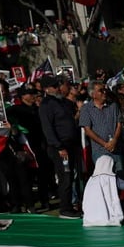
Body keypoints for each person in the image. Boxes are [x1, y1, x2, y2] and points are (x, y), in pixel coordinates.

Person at [38, 75, 82, 219]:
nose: (58, 88)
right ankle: (65, 208)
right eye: (54, 86)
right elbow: (48, 129)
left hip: (70, 145)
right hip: (60, 148)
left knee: (71, 175)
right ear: (47, 89)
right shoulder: (46, 105)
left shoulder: (61, 102)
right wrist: (59, 147)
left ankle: (70, 205)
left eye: (58, 85)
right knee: (65, 176)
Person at [78, 82, 123, 174]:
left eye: (105, 90)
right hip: (100, 150)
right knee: (105, 177)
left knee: (119, 177)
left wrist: (114, 140)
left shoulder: (113, 106)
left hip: (116, 148)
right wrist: (105, 144)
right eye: (101, 91)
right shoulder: (86, 109)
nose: (104, 92)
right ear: (93, 94)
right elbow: (88, 130)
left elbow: (119, 124)